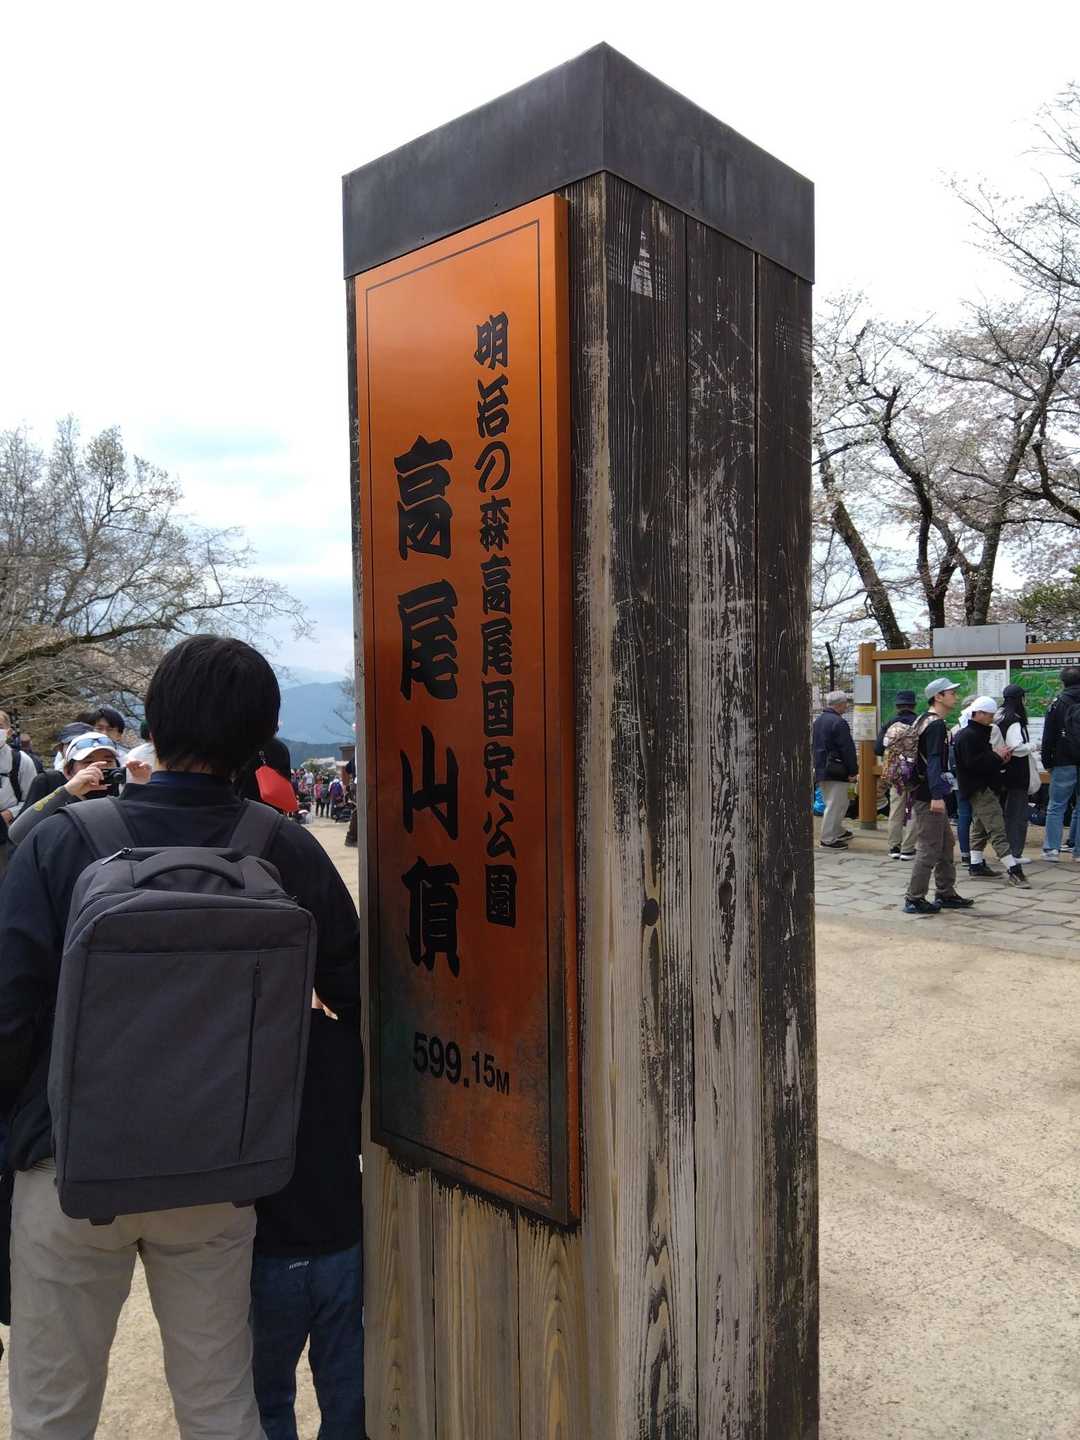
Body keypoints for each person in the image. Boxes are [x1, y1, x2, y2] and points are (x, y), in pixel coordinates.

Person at [0, 635, 362, 1440]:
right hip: (217, 1172)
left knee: (52, 1415)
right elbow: (355, 989)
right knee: (220, 1407)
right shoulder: (280, 846)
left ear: (152, 724)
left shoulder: (63, 841)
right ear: (259, 736)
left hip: (71, 1167)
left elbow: (10, 1018)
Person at [251, 999, 364, 1438]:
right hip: (341, 1244)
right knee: (346, 1398)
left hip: (271, 1250)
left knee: (267, 1400)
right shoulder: (347, 1043)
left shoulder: (249, 1045)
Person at [903, 677, 975, 916]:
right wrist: (936, 794)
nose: (955, 696)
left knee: (946, 843)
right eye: (951, 693)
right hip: (928, 794)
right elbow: (934, 761)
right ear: (938, 697)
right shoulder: (935, 726)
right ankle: (914, 898)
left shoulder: (924, 720)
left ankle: (945, 892)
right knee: (930, 847)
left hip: (925, 791)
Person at [953, 695, 1028, 886]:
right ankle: (1014, 870)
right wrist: (997, 756)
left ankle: (976, 864)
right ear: (977, 713)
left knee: (980, 827)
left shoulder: (975, 733)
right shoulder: (969, 735)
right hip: (980, 788)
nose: (991, 718)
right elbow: (973, 764)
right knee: (997, 828)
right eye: (988, 714)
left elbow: (979, 761)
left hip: (982, 786)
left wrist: (998, 758)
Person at [996, 684, 1039, 880]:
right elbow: (1016, 747)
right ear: (1020, 699)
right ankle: (1014, 852)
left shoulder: (999, 715)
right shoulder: (1014, 719)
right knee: (1017, 814)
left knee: (1007, 812)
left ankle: (1008, 850)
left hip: (1002, 771)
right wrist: (1033, 746)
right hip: (1017, 773)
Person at [1040, 664, 1080, 862]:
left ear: (1063, 682)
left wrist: (1047, 760)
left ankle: (1052, 850)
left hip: (1063, 760)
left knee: (1056, 805)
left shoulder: (1057, 703)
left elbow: (1048, 735)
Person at [876, 689, 918, 859]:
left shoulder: (890, 723)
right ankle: (908, 848)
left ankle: (894, 847)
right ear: (914, 705)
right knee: (913, 810)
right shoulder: (919, 722)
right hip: (914, 773)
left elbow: (877, 748)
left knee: (896, 809)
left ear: (897, 706)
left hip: (895, 774)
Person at [812, 690, 857, 849]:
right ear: (840, 704)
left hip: (822, 768)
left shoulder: (818, 721)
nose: (846, 706)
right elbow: (847, 749)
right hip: (837, 770)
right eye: (845, 703)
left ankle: (837, 831)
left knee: (836, 803)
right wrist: (853, 771)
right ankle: (828, 839)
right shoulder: (839, 722)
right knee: (835, 805)